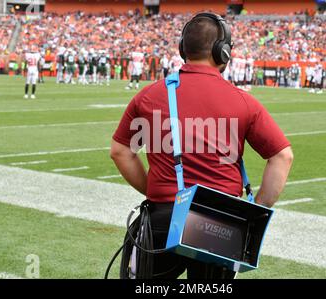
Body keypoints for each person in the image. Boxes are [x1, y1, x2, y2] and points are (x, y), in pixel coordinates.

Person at [110, 12, 293, 279]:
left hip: (163, 216)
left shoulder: (149, 95)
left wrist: (154, 188)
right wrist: (257, 207)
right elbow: (282, 156)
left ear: (183, 49)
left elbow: (120, 151)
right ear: (223, 52)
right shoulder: (243, 101)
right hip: (221, 222)